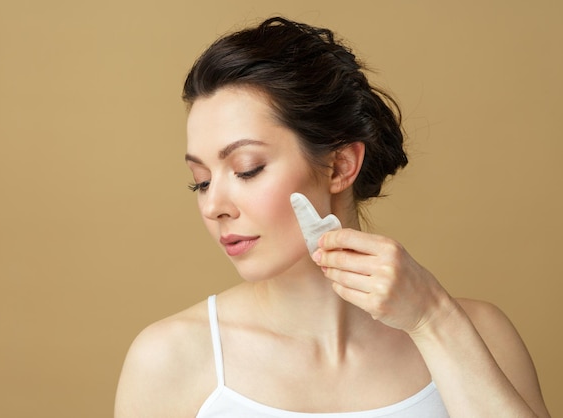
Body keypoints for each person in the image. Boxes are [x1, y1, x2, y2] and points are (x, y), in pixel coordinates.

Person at [114, 17, 550, 417]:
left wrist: (434, 319)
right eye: (201, 181)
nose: (213, 206)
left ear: (340, 166)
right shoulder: (170, 360)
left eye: (248, 169)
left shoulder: (478, 335)